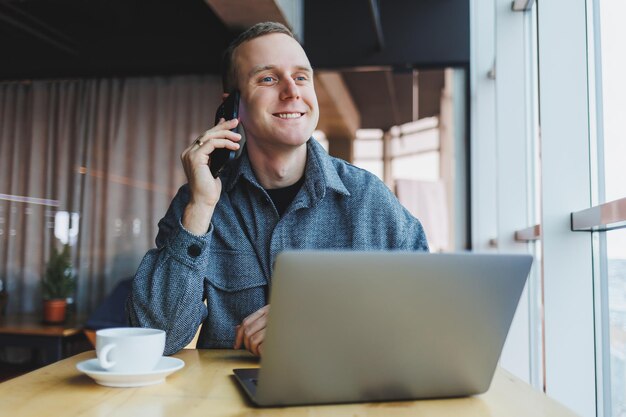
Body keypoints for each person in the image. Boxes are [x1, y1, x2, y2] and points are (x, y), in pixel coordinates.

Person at [127, 22, 429, 357]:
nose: (292, 91)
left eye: (301, 77)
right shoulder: (198, 201)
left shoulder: (368, 200)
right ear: (232, 107)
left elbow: (429, 313)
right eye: (268, 78)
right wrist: (200, 207)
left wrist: (323, 321)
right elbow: (154, 338)